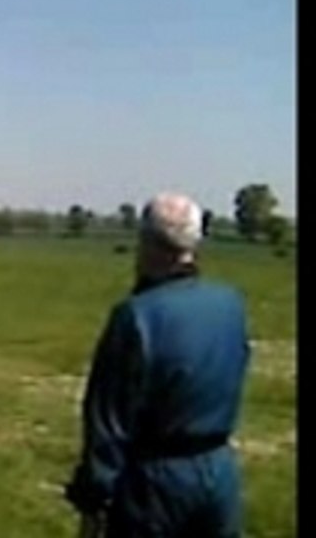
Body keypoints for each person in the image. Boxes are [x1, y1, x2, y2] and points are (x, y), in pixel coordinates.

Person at [64, 192, 252, 537]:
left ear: (148, 243)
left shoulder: (135, 316)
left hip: (155, 483)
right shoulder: (231, 304)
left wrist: (93, 498)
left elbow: (108, 419)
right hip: (220, 472)